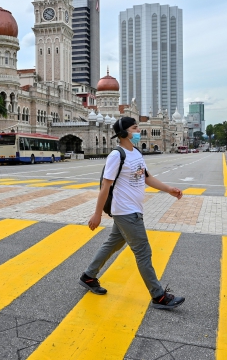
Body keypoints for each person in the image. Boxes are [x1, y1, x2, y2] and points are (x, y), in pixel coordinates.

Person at [80, 117, 185, 310]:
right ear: (123, 133)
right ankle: (159, 296)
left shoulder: (135, 153)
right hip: (126, 212)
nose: (138, 131)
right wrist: (97, 214)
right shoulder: (116, 155)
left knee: (113, 243)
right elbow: (105, 186)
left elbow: (147, 178)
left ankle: (88, 276)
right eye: (135, 128)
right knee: (143, 252)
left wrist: (168, 189)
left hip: (133, 209)